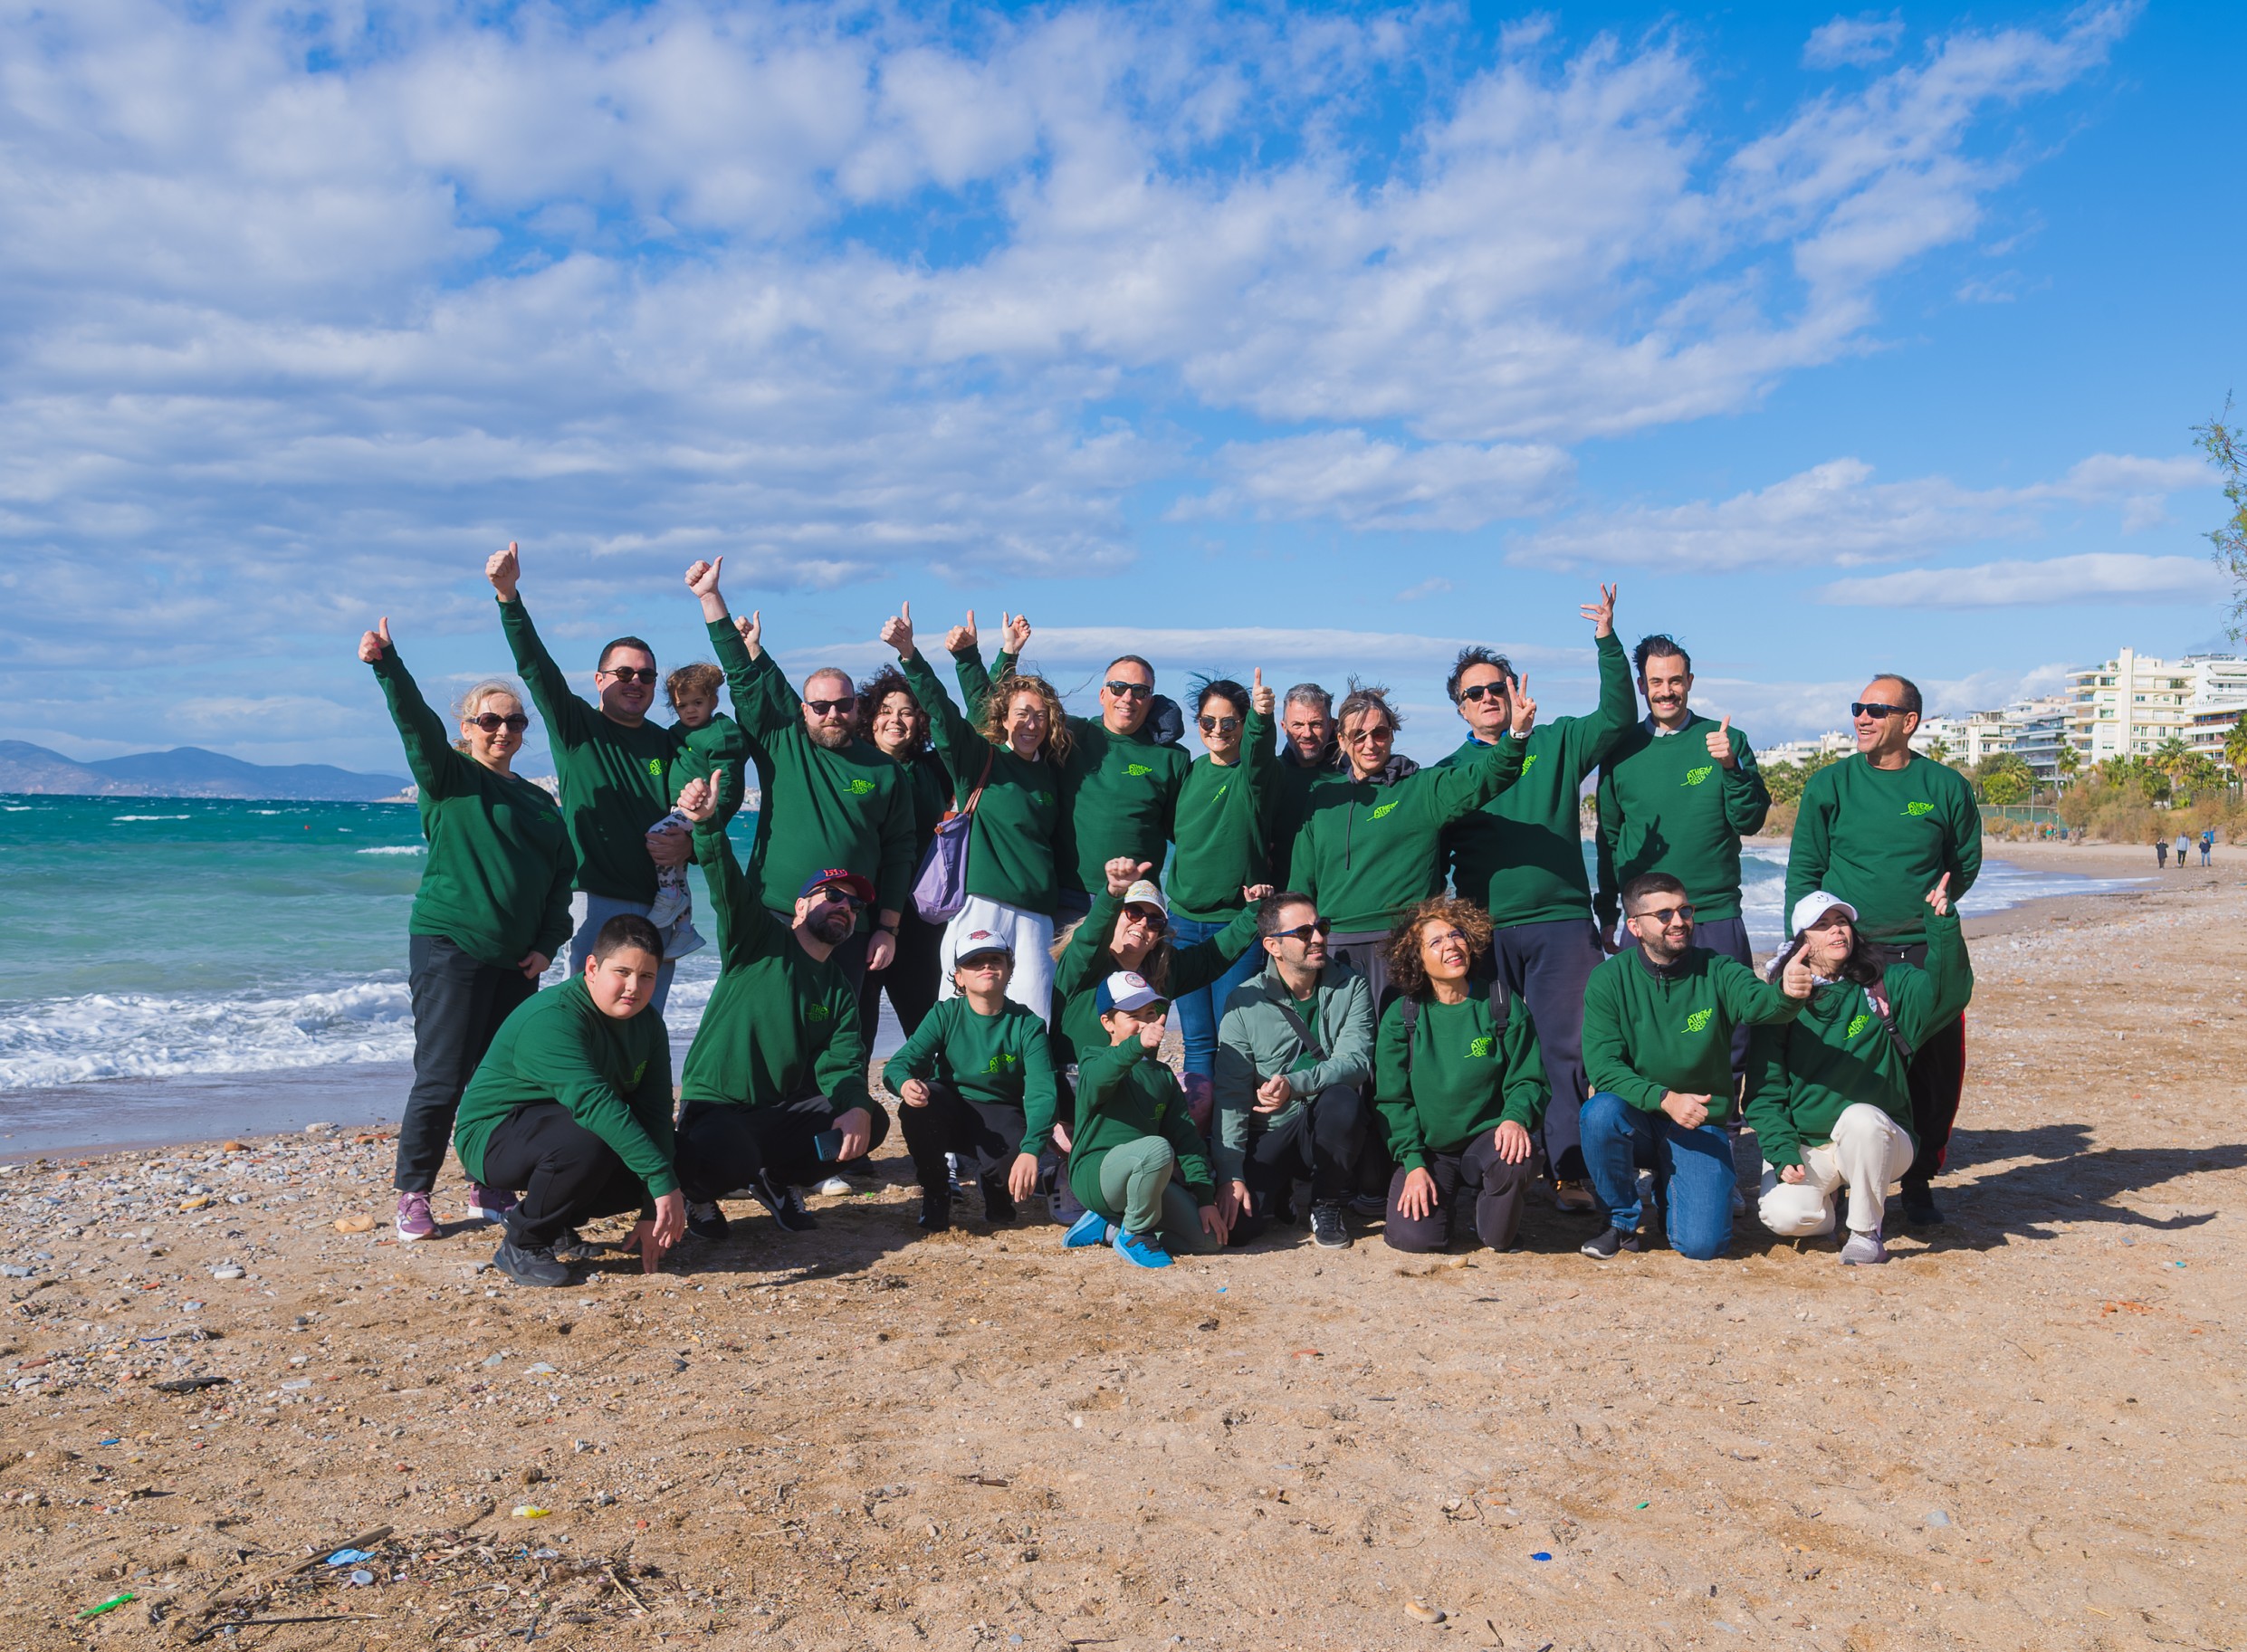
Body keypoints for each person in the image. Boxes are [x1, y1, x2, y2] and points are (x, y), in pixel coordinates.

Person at [361, 618, 575, 1243]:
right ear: (467, 728)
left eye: (514, 722)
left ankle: (489, 1182)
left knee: (499, 1078)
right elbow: (415, 727)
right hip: (449, 946)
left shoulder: (540, 804)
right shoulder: (450, 778)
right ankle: (414, 1193)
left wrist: (547, 941)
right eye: (490, 720)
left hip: (517, 960)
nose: (503, 730)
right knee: (442, 1075)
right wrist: (388, 665)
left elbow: (560, 879)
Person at [1439, 585, 1633, 1214]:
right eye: (1475, 692)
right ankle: (1506, 1169)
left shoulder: (1554, 743)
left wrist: (1606, 640)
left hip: (1558, 925)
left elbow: (1616, 716)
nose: (1489, 698)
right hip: (1485, 930)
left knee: (1566, 1047)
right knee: (1496, 1050)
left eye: (1496, 686)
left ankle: (1570, 1170)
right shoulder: (1449, 773)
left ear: (1514, 690)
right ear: (1460, 707)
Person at [1784, 675, 1980, 1227]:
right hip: (1851, 950)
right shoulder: (1830, 785)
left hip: (1920, 950)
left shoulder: (1945, 787)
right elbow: (1804, 871)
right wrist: (1807, 948)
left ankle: (1918, 1181)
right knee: (1852, 1063)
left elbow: (1962, 863)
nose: (1862, 719)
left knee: (1935, 1068)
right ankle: (1850, 1178)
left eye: (1876, 710)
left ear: (1908, 722)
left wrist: (1931, 914)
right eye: (1858, 708)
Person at [670, 778, 887, 1239]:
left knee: (870, 1118)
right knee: (730, 1157)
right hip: (716, 1107)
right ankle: (697, 1192)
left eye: (852, 904)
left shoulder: (838, 989)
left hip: (778, 1113)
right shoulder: (757, 943)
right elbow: (726, 883)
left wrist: (856, 1107)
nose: (844, 906)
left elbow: (844, 1063)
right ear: (799, 907)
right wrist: (707, 827)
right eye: (833, 896)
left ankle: (780, 1179)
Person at [687, 559, 914, 988]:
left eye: (843, 705)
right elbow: (743, 678)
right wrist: (711, 599)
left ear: (857, 707)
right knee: (765, 1033)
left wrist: (888, 928)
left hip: (850, 926)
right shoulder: (781, 743)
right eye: (821, 706)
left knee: (843, 1040)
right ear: (804, 709)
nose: (833, 714)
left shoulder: (884, 772)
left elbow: (900, 852)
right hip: (774, 916)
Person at [487, 540, 693, 1013]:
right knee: (588, 1014)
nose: (635, 682)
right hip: (593, 898)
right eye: (623, 672)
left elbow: (696, 813)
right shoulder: (577, 727)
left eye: (645, 676)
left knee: (647, 1014)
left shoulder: (668, 743)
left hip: (660, 900)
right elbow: (536, 669)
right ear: (600, 679)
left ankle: (642, 1091)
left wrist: (691, 848)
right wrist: (508, 597)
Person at [1579, 873, 1815, 1261]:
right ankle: (1620, 1222)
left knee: (1703, 1246)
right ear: (1635, 926)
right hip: (1637, 1116)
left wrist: (1786, 994)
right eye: (1665, 913)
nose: (1679, 921)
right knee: (1599, 1113)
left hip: (1701, 1120)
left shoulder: (1717, 969)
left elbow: (1761, 1005)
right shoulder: (1609, 979)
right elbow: (1603, 1068)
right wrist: (1665, 1098)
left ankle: (1668, 1187)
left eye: (1684, 910)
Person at [450, 913, 684, 1286]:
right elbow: (594, 1105)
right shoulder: (554, 1018)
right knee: (593, 1138)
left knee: (676, 1152)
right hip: (494, 1136)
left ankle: (556, 1223)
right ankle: (524, 1243)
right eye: (621, 972)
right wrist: (661, 1184)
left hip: (562, 1130)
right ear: (592, 967)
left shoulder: (648, 1025)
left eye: (646, 976)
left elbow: (656, 1114)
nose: (633, 987)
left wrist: (649, 1207)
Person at [1747, 879, 1972, 1265]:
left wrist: (1943, 926)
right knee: (1785, 1216)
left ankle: (1866, 1232)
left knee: (1861, 1119)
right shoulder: (1779, 1005)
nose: (1837, 929)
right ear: (1801, 941)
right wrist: (1783, 1152)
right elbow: (1764, 1094)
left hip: (1882, 1139)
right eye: (1823, 924)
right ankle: (1830, 1204)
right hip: (1810, 1144)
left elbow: (1947, 993)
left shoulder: (1886, 986)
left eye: (1842, 921)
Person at [1289, 677, 1535, 1013]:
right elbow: (1301, 885)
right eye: (1358, 736)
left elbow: (1490, 776)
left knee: (1406, 1050)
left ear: (1392, 733)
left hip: (1406, 942)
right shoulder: (1323, 799)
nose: (1370, 744)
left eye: (1379, 733)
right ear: (1342, 740)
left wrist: (1517, 735)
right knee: (1348, 1053)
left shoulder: (1423, 789)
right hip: (1339, 946)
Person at [880, 601, 1066, 1018]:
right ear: (1005, 720)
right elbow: (947, 716)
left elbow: (994, 699)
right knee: (964, 1017)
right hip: (981, 905)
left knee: (1033, 1018)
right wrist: (911, 654)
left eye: (1040, 716)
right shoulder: (979, 761)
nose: (1031, 724)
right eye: (1022, 715)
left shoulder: (1051, 771)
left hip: (1037, 915)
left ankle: (1029, 1087)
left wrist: (1007, 654)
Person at [961, 613, 1190, 932]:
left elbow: (1184, 830)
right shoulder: (1071, 736)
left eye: (1140, 690)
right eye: (1118, 687)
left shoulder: (1172, 758)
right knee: (1062, 983)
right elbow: (1003, 710)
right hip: (1070, 897)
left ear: (1152, 700)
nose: (1128, 697)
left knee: (1132, 984)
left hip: (1135, 902)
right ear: (1102, 694)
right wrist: (1008, 653)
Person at [1374, 896, 1550, 1255]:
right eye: (1435, 942)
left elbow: (1529, 1079)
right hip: (1431, 1151)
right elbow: (1393, 1099)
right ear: (1417, 960)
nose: (1451, 946)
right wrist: (1413, 1164)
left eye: (1456, 936)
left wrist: (1516, 1119)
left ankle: (1494, 1216)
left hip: (1489, 1142)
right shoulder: (1402, 1016)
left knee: (1517, 1165)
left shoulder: (1502, 1002)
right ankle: (1443, 1202)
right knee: (1416, 1241)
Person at [1051, 856, 1268, 1142]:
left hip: (1133, 1093)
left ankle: (1177, 1167)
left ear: (1158, 936)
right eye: (1132, 912)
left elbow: (1211, 957)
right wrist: (1113, 893)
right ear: (1116, 914)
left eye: (1154, 920)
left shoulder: (1160, 974)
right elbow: (1089, 940)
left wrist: (1252, 914)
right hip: (1078, 1092)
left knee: (1200, 1090)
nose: (1142, 923)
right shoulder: (1081, 967)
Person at [1212, 892, 1374, 1248]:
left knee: (1343, 1100)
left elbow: (1356, 1063)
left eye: (1321, 927)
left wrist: (1294, 1084)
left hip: (1325, 1122)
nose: (1318, 938)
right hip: (1269, 1129)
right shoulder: (1243, 1001)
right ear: (1272, 945)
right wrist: (1230, 1174)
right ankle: (1280, 1188)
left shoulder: (1352, 985)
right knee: (1238, 1230)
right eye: (1303, 933)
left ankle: (1327, 1203)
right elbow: (1231, 1093)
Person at [883, 933, 1059, 1232]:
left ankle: (993, 1185)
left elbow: (1043, 1091)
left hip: (1000, 1109)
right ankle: (937, 1190)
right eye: (974, 962)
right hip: (950, 1105)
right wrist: (904, 1085)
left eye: (995, 959)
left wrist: (1032, 1150)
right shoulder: (945, 1014)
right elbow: (901, 1063)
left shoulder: (1028, 1024)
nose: (986, 967)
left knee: (1014, 1158)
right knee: (917, 1108)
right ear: (959, 977)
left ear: (1009, 968)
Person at [1167, 670, 1280, 1119]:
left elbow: (1258, 753)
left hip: (1237, 924)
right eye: (1208, 722)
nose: (1217, 731)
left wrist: (1263, 718)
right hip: (1180, 926)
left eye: (1229, 723)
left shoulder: (1254, 776)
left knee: (1235, 1045)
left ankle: (1232, 1151)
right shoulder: (1189, 774)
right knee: (1196, 1044)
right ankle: (1201, 1155)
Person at [1061, 971, 1226, 1268]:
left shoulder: (1163, 1075)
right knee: (1157, 1148)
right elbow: (1100, 1079)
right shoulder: (1093, 1059)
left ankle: (1111, 1228)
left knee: (1208, 1241)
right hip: (1095, 1176)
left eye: (1150, 1013)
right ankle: (1136, 1233)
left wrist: (1204, 1198)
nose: (1146, 1022)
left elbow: (1187, 1139)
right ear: (1107, 1023)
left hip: (1147, 1178)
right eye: (1133, 1016)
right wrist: (1137, 1046)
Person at [853, 662, 954, 1044]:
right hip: (860, 913)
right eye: (886, 711)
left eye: (907, 712)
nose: (896, 720)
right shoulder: (853, 764)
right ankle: (853, 1101)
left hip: (919, 916)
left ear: (920, 721)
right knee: (857, 1023)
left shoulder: (934, 768)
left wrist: (1005, 654)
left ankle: (934, 1100)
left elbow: (960, 726)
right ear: (870, 717)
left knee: (925, 1019)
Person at [645, 659, 747, 933]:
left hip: (697, 810)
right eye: (682, 705)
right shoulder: (676, 733)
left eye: (697, 703)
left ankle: (669, 899)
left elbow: (728, 783)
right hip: (677, 808)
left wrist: (712, 815)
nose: (689, 710)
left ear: (713, 701)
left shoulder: (720, 734)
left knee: (657, 836)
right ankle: (685, 930)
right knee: (677, 871)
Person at [1268, 683, 1338, 887]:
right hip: (1279, 896)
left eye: (1316, 724)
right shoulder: (1270, 775)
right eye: (1297, 725)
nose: (1307, 734)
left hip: (1333, 895)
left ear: (1331, 725)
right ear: (1284, 727)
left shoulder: (1350, 777)